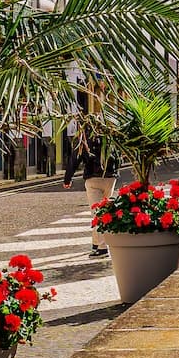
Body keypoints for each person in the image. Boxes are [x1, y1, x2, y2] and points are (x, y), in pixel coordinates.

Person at [61, 95, 108, 256]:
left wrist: (68, 179)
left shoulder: (85, 136)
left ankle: (102, 247)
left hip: (93, 178)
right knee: (103, 210)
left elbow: (75, 158)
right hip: (110, 177)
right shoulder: (108, 136)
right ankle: (96, 244)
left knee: (97, 213)